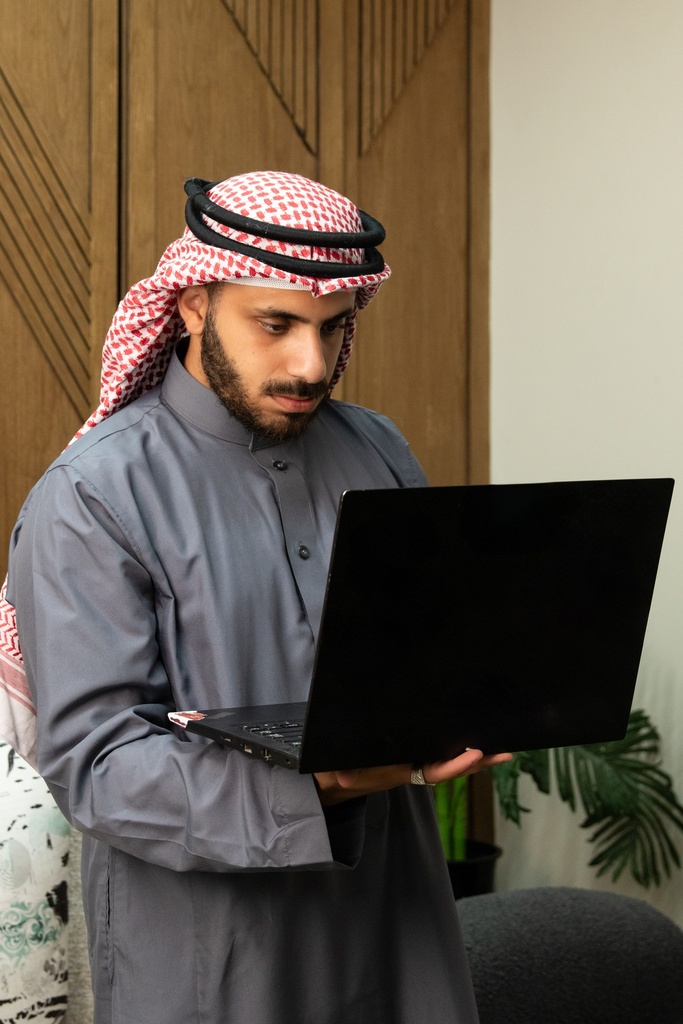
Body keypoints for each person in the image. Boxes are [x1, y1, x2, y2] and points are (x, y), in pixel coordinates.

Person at [6, 172, 510, 1024]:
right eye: (274, 325)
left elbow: (420, 648)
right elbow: (99, 768)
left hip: (399, 929)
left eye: (330, 328)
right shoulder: (94, 495)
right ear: (195, 301)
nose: (309, 364)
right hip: (218, 958)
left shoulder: (376, 446)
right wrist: (327, 785)